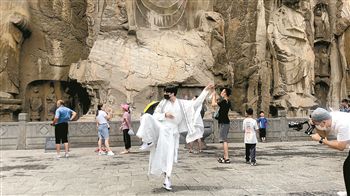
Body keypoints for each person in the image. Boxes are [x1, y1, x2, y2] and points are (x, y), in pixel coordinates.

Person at [136, 84, 214, 191]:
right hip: (162, 128)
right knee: (145, 117)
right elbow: (155, 115)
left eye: (167, 92)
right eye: (164, 92)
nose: (165, 94)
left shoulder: (182, 104)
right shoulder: (163, 103)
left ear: (172, 93)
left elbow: (196, 103)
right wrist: (165, 115)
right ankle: (148, 141)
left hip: (172, 132)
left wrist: (205, 91)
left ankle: (167, 179)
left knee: (168, 157)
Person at [310, 107, 350, 195]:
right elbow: (324, 134)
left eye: (318, 125)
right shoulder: (329, 117)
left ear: (323, 122)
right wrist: (314, 125)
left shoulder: (342, 124)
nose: (318, 127)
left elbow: (341, 147)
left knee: (348, 167)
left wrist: (320, 140)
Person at [211, 87, 231, 164]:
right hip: (225, 122)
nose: (221, 93)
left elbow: (213, 104)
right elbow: (217, 104)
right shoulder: (228, 101)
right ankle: (225, 157)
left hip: (224, 123)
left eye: (223, 92)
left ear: (225, 93)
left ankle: (227, 158)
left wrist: (213, 96)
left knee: (224, 140)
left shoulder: (223, 101)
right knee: (224, 140)